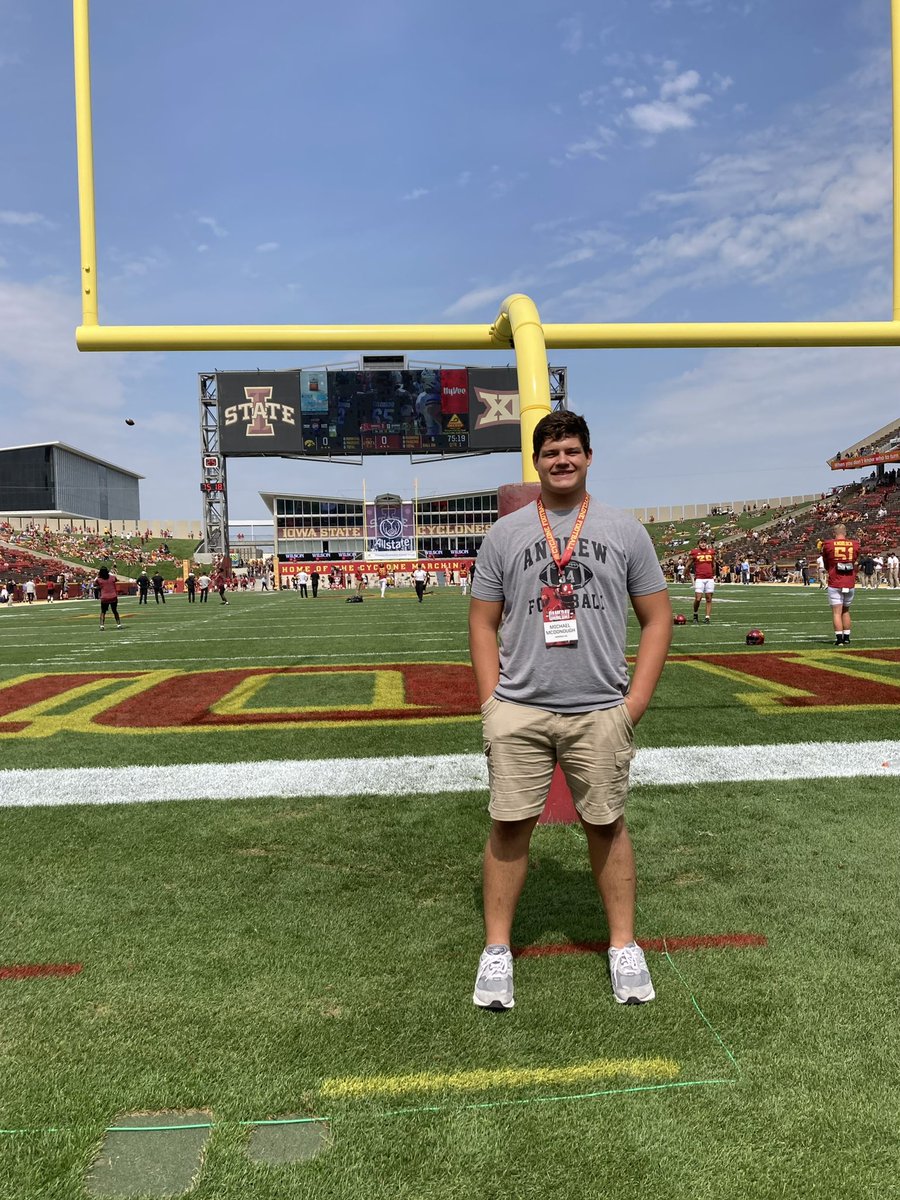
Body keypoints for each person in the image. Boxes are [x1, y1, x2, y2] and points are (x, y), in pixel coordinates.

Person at [468, 411, 671, 1011]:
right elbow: (482, 623)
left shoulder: (625, 530)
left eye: (572, 451)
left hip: (600, 707)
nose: (562, 460)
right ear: (536, 461)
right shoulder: (505, 534)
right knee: (509, 823)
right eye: (551, 451)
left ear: (589, 457)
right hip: (520, 708)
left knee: (606, 824)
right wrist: (490, 701)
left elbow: (657, 618)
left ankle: (623, 945)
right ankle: (498, 949)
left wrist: (634, 702)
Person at [819, 523, 860, 646]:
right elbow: (855, 560)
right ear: (845, 533)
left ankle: (839, 639)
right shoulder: (855, 544)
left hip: (835, 581)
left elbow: (826, 562)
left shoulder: (828, 544)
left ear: (834, 533)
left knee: (837, 612)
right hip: (850, 580)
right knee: (846, 611)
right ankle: (847, 637)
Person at [689, 537, 717, 622]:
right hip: (700, 578)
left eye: (704, 542)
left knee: (709, 598)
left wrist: (714, 575)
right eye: (701, 543)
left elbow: (714, 564)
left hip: (709, 578)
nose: (703, 544)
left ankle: (707, 617)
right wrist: (685, 574)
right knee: (698, 598)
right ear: (698, 544)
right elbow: (688, 564)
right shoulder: (695, 552)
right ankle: (695, 613)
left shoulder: (711, 552)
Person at [94, 566, 122, 630]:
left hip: (104, 597)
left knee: (103, 612)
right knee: (115, 611)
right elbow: (116, 579)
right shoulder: (112, 577)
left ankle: (102, 625)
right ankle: (119, 624)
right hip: (113, 596)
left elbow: (95, 584)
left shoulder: (99, 579)